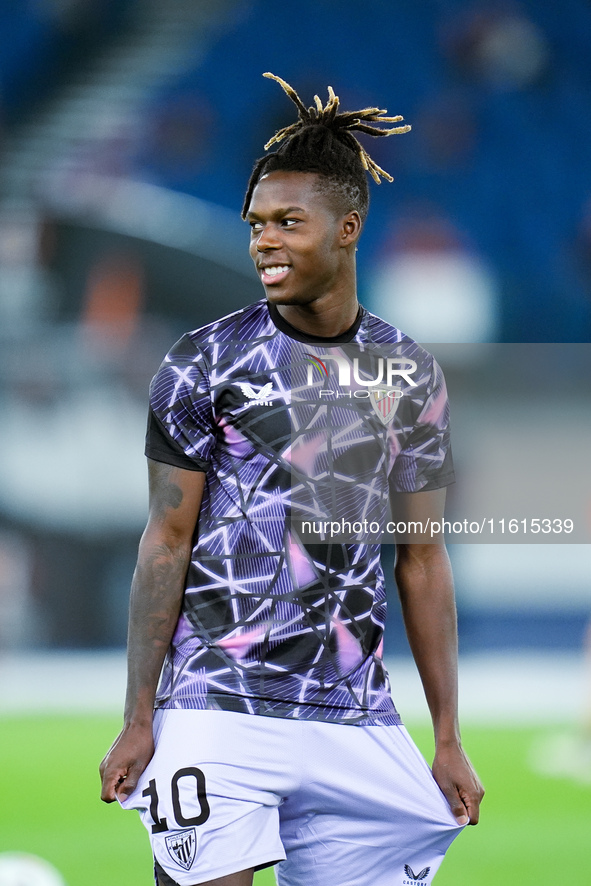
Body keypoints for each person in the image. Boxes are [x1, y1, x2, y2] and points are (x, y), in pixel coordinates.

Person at [100, 72, 484, 886]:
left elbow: (420, 557)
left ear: (346, 228)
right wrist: (141, 718)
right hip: (216, 705)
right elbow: (165, 541)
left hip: (351, 714)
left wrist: (446, 735)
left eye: (286, 223)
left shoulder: (407, 373)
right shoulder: (201, 363)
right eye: (255, 225)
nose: (263, 241)